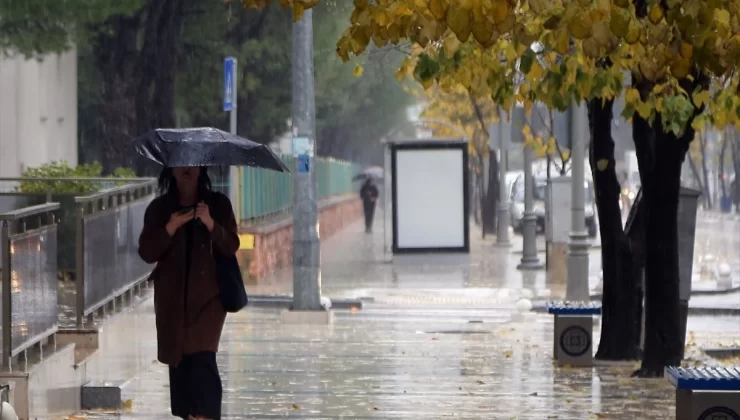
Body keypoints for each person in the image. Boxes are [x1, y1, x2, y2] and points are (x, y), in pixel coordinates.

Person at [138, 166, 239, 420]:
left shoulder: (218, 204)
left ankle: (205, 414)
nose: (187, 168)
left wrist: (211, 224)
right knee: (181, 363)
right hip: (172, 303)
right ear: (171, 170)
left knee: (203, 359)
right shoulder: (160, 209)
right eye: (181, 162)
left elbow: (231, 245)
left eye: (193, 162)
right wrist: (170, 227)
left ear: (201, 169)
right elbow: (147, 252)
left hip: (209, 302)